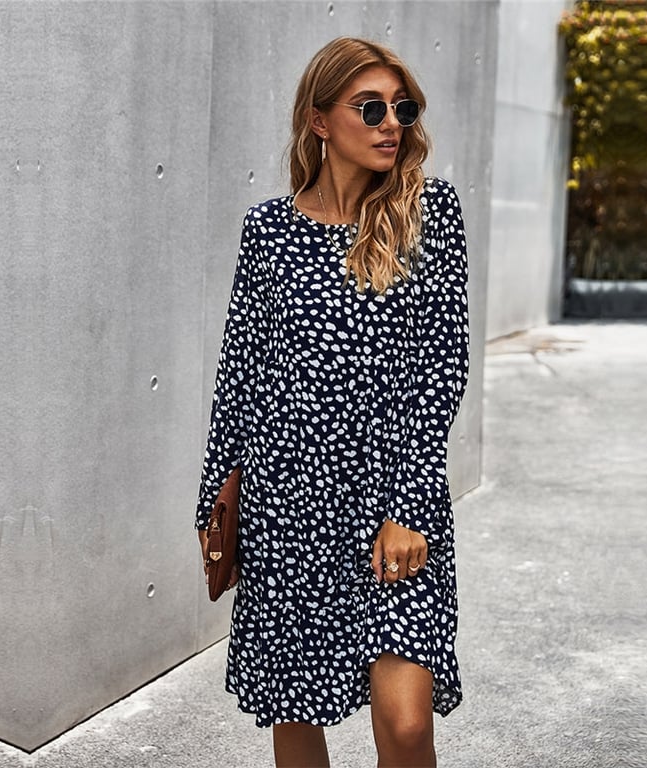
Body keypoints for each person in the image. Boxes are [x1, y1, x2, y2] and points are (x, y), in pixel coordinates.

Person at [196, 36, 469, 768]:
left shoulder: (428, 214)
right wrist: (216, 500)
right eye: (369, 108)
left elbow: (441, 370)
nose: (392, 124)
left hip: (391, 492)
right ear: (320, 121)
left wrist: (409, 506)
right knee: (295, 707)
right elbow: (241, 373)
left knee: (406, 725)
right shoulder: (268, 230)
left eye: (402, 108)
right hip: (287, 500)